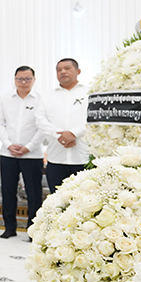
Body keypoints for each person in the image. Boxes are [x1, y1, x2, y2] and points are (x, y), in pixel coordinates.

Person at [0, 66, 44, 239]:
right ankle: (9, 228)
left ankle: (33, 231)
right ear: (15, 79)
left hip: (32, 154)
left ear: (34, 80)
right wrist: (9, 145)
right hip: (8, 153)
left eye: (27, 79)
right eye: (20, 79)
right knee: (8, 191)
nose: (23, 82)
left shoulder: (41, 100)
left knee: (34, 193)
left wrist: (28, 147)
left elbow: (43, 127)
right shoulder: (5, 98)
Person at [36, 59, 88, 193]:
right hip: (56, 158)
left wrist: (74, 134)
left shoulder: (89, 93)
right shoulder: (48, 96)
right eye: (59, 70)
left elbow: (94, 119)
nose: (62, 72)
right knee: (57, 200)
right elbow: (40, 120)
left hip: (83, 158)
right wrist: (60, 135)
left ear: (78, 71)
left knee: (84, 200)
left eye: (67, 68)